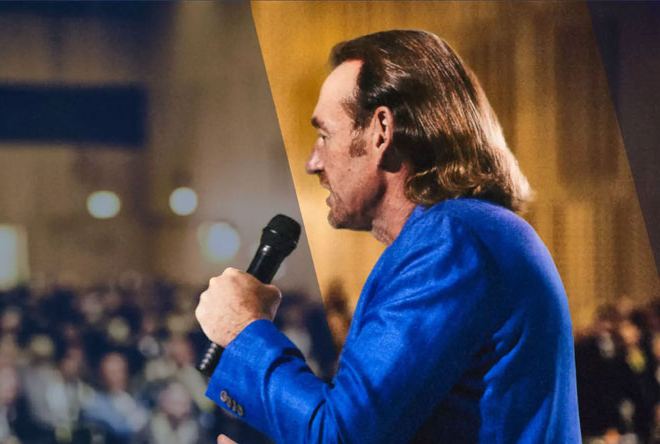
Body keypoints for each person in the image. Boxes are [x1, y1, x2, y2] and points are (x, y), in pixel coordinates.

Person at [195, 30, 581, 443]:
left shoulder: (451, 241)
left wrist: (244, 329)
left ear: (381, 130)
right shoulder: (471, 232)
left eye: (325, 136)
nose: (313, 162)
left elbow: (341, 435)